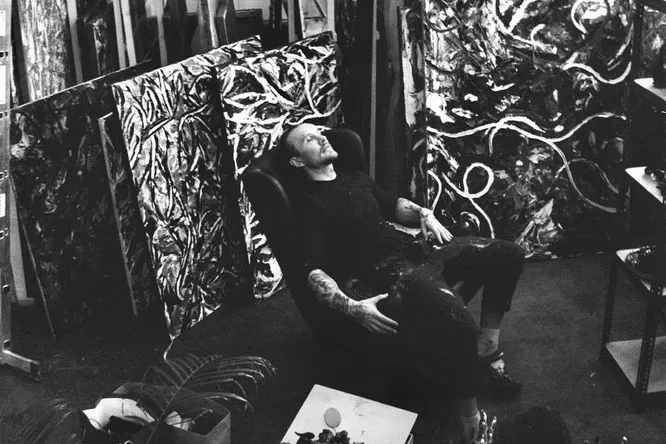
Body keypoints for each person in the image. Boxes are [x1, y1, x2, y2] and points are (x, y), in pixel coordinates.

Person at [277, 123, 526, 444]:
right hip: (387, 273)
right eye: (310, 139)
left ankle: (486, 346)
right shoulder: (308, 204)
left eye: (320, 132)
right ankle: (468, 418)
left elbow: (393, 205)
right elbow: (312, 272)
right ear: (298, 161)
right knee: (459, 319)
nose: (322, 137)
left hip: (415, 250)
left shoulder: (354, 177)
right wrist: (353, 308)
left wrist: (424, 213)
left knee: (508, 253)